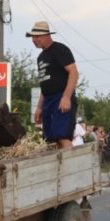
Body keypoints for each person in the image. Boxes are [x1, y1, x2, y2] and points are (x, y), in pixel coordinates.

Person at [28, 20, 79, 149]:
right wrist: (39, 107)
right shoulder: (41, 57)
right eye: (32, 37)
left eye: (37, 36)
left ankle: (71, 166)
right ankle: (59, 167)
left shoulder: (60, 49)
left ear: (47, 35)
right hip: (48, 100)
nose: (34, 40)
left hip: (61, 97)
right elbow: (45, 84)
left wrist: (66, 97)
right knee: (50, 138)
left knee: (62, 136)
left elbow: (73, 72)